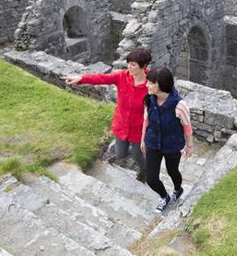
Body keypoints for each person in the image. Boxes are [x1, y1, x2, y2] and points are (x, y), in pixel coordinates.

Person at [62, 47, 151, 182]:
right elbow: (101, 78)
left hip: (139, 129)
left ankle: (145, 171)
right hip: (121, 125)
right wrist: (81, 78)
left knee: (137, 154)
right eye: (128, 63)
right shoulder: (122, 76)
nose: (129, 67)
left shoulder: (151, 84)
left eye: (133, 64)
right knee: (120, 154)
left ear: (143, 66)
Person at [140, 67, 194, 213]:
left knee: (173, 171)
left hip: (172, 145)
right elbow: (146, 120)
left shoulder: (179, 105)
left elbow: (187, 126)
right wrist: (143, 139)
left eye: (150, 83)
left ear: (161, 84)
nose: (147, 85)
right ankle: (165, 197)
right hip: (152, 143)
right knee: (151, 179)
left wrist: (189, 146)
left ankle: (178, 189)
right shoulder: (149, 100)